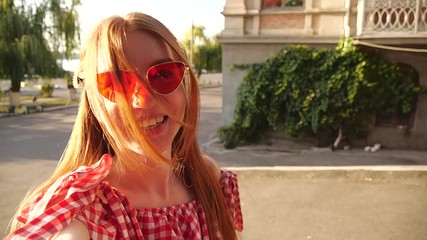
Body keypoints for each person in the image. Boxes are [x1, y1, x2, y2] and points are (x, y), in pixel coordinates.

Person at [6, 12, 243, 239]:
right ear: (93, 104)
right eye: (117, 83)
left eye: (163, 74)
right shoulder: (85, 208)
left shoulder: (207, 179)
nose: (145, 100)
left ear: (185, 83)